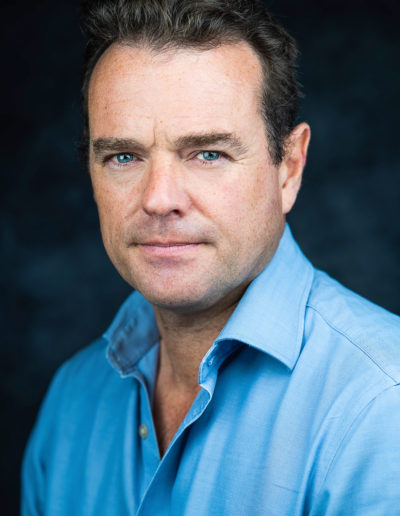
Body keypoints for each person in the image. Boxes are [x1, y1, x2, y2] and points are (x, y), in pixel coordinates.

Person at [22, 0, 400, 514]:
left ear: (288, 168)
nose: (159, 199)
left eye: (208, 154)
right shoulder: (72, 401)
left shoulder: (381, 407)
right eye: (124, 156)